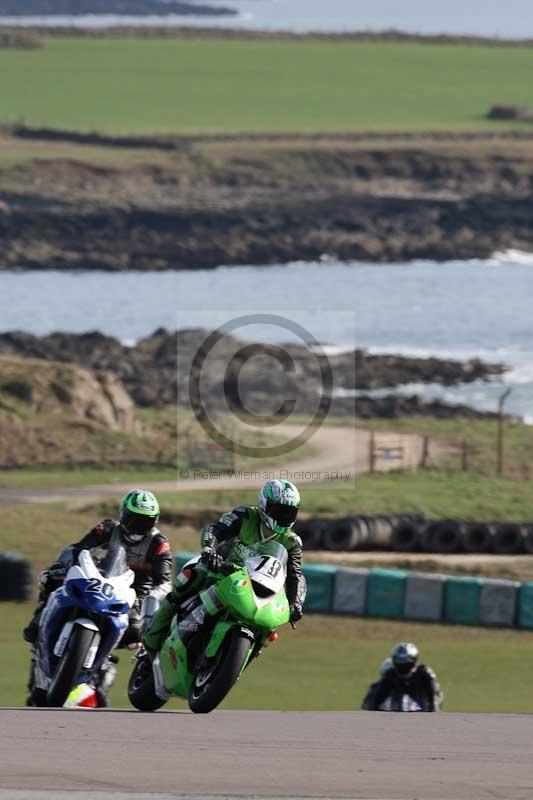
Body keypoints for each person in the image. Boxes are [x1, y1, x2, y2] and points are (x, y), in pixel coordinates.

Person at [24, 489, 172, 705]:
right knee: (53, 581)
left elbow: (164, 582)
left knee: (134, 633)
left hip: (135, 592)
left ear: (154, 521)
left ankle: (101, 673)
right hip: (102, 575)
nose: (138, 526)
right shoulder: (108, 528)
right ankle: (39, 619)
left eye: (145, 522)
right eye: (134, 519)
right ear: (123, 515)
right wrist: (60, 566)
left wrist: (151, 600)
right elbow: (78, 548)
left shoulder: (159, 544)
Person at [144, 478, 306, 655]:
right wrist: (209, 549)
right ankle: (151, 638)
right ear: (264, 505)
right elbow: (215, 530)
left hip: (258, 585)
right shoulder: (245, 516)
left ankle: (242, 657)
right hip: (221, 568)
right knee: (189, 579)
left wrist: (296, 602)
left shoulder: (292, 542)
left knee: (269, 627)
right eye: (279, 510)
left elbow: (295, 574)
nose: (283, 517)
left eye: (289, 512)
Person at [362, 642, 443, 712]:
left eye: (406, 662)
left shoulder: (425, 673)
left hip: (421, 706)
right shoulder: (390, 674)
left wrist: (433, 711)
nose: (403, 665)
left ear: (414, 660)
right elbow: (377, 697)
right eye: (399, 662)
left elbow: (434, 695)